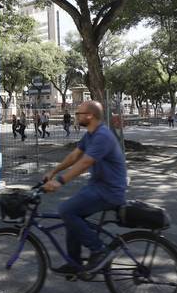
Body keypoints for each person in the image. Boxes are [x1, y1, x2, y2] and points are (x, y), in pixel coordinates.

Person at [42, 101, 127, 274]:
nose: (76, 116)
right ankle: (75, 264)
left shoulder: (102, 135)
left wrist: (60, 181)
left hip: (109, 190)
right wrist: (53, 171)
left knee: (66, 210)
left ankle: (99, 250)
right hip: (98, 186)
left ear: (89, 116)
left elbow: (85, 162)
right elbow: (75, 156)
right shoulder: (90, 134)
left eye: (78, 113)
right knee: (72, 215)